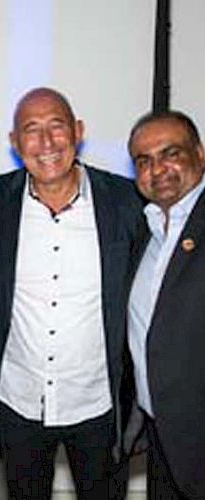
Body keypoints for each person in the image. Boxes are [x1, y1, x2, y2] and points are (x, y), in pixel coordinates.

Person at [0, 87, 142, 499]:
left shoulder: (125, 201)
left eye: (57, 127)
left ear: (78, 131)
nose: (46, 143)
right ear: (14, 143)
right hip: (20, 399)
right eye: (31, 130)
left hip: (99, 401)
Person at [127, 110, 205, 499]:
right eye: (144, 161)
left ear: (200, 154)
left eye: (170, 153)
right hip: (161, 432)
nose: (158, 169)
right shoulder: (149, 228)